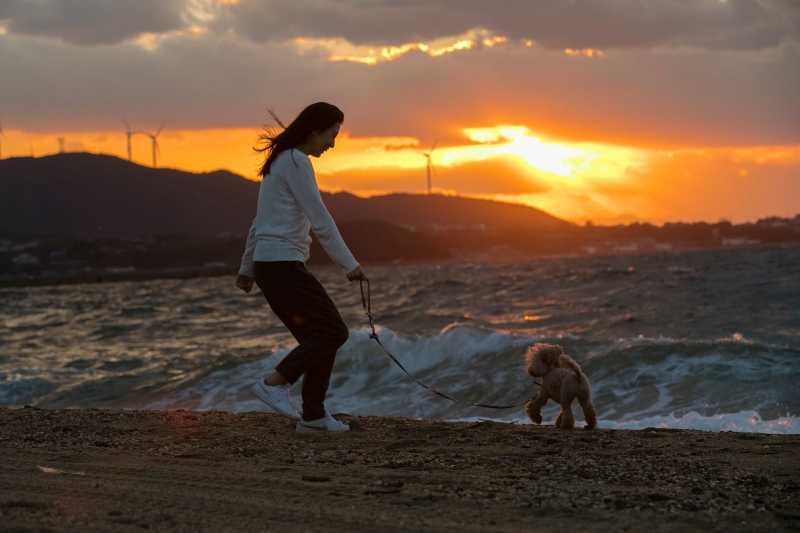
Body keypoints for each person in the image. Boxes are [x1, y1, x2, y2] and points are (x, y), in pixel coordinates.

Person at [235, 102, 367, 433]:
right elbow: (320, 218)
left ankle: (313, 418)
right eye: (332, 135)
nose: (333, 144)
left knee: (319, 339)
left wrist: (247, 268)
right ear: (314, 130)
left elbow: (257, 223)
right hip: (282, 264)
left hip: (272, 265)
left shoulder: (280, 161)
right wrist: (349, 264)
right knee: (333, 332)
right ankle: (274, 384)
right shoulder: (296, 160)